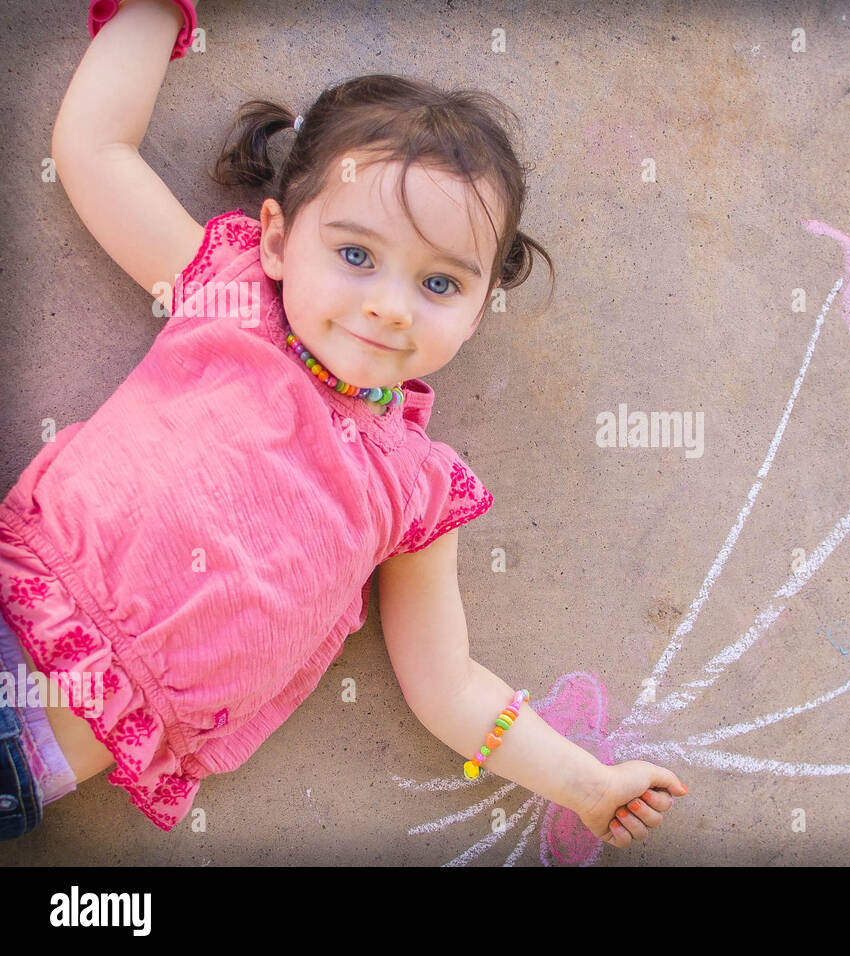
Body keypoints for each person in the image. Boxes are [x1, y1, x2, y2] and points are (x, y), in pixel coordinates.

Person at [0, 0, 687, 847]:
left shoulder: (417, 491)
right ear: (280, 243)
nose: (391, 308)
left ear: (475, 316)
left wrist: (586, 783)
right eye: (355, 255)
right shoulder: (230, 298)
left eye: (439, 285)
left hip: (27, 762)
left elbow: (447, 685)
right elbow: (94, 151)